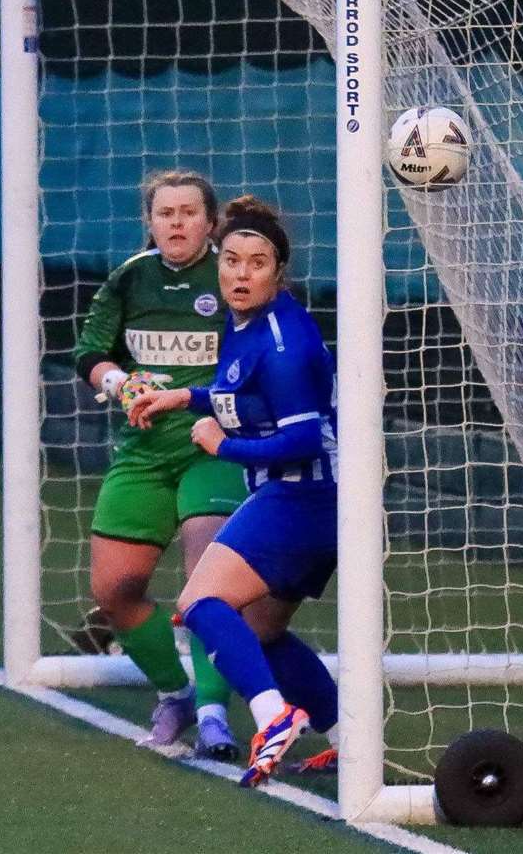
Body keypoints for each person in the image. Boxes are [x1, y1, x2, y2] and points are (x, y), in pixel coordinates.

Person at [127, 195, 341, 786]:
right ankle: (348, 739)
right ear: (218, 261)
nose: (241, 275)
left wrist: (223, 447)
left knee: (199, 604)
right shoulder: (244, 322)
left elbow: (301, 441)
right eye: (232, 261)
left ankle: (273, 717)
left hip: (300, 500)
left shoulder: (284, 345)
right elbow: (239, 395)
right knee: (262, 631)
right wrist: (184, 397)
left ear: (279, 272)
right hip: (308, 503)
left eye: (257, 264)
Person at [72, 170, 249, 759]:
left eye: (189, 212)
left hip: (213, 449)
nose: (176, 223)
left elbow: (266, 354)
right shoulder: (130, 278)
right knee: (114, 589)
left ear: (211, 221)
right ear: (150, 222)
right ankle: (175, 692)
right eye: (165, 213)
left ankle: (214, 714)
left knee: (206, 583)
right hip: (145, 452)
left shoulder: (234, 275)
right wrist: (121, 384)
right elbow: (91, 353)